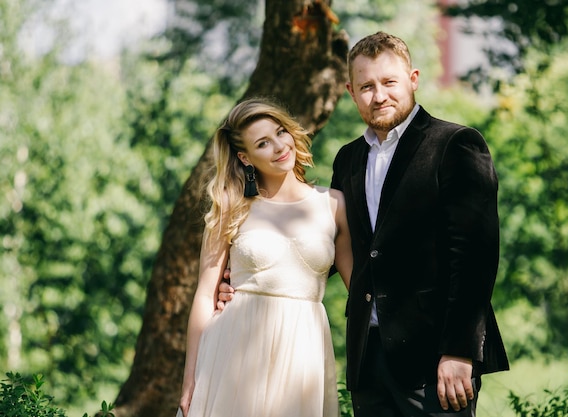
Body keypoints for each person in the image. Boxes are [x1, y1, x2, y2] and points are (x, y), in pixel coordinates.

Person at [219, 31, 509, 416]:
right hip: (368, 360)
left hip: (435, 357)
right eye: (367, 86)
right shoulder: (348, 159)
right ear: (351, 92)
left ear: (413, 79)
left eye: (389, 82)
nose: (379, 95)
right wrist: (240, 280)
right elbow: (330, 249)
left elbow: (475, 258)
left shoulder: (456, 145)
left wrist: (459, 351)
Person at [177, 97, 352, 417]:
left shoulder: (334, 204)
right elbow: (205, 294)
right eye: (263, 143)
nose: (279, 146)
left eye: (280, 132)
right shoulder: (231, 206)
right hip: (234, 348)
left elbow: (361, 289)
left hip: (304, 350)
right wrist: (191, 379)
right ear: (245, 157)